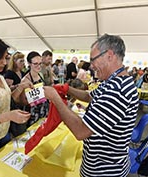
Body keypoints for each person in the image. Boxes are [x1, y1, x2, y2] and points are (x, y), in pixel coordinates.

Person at [44, 34, 139, 177]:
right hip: (102, 164)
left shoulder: (117, 90)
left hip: (104, 170)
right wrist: (66, 89)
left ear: (109, 55)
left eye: (93, 60)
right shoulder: (112, 82)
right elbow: (89, 96)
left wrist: (56, 99)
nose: (91, 65)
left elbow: (81, 131)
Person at [22, 51, 49, 127]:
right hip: (33, 113)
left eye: (40, 63)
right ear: (29, 64)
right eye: (35, 64)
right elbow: (23, 101)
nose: (39, 66)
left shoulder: (40, 74)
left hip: (44, 109)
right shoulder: (25, 80)